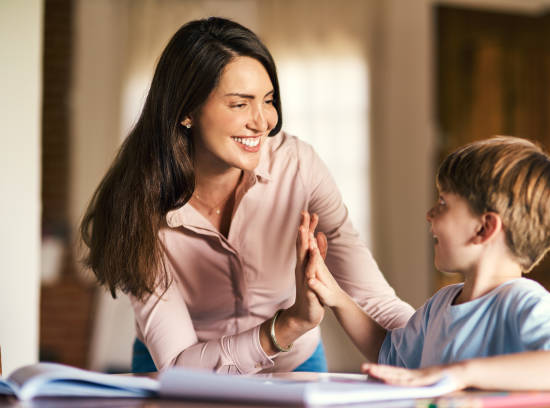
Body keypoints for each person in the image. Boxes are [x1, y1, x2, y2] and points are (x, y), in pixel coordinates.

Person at [80, 17, 414, 374]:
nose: (263, 121)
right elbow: (179, 363)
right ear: (186, 111)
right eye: (240, 104)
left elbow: (374, 300)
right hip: (179, 364)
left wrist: (447, 348)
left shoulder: (298, 167)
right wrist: (289, 325)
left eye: (267, 100)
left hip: (292, 363)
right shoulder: (134, 205)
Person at [302, 136, 550, 391]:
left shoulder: (521, 300)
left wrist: (459, 373)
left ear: (484, 228)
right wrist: (337, 296)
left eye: (443, 203)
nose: (430, 213)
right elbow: (389, 353)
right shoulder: (440, 305)